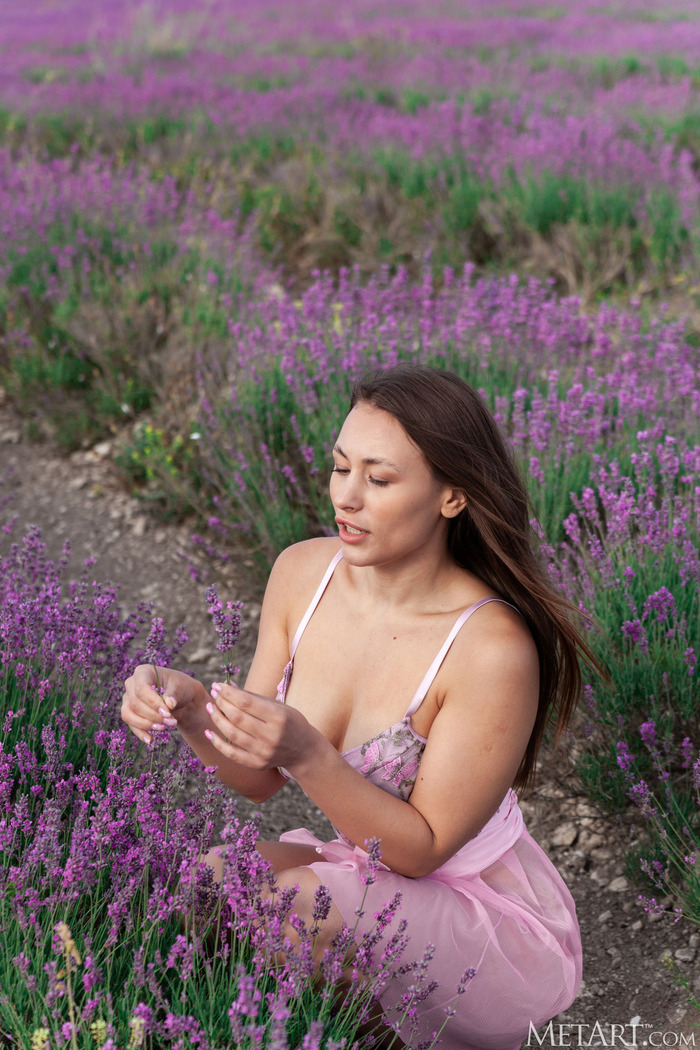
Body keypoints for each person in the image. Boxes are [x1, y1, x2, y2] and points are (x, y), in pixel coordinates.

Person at [122, 364, 596, 1050]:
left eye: (378, 479)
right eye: (340, 467)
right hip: (361, 874)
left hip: (474, 913)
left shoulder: (491, 647)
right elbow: (257, 778)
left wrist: (309, 753)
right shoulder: (301, 575)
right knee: (202, 885)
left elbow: (422, 851)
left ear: (452, 497)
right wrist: (194, 710)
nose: (346, 497)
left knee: (293, 911)